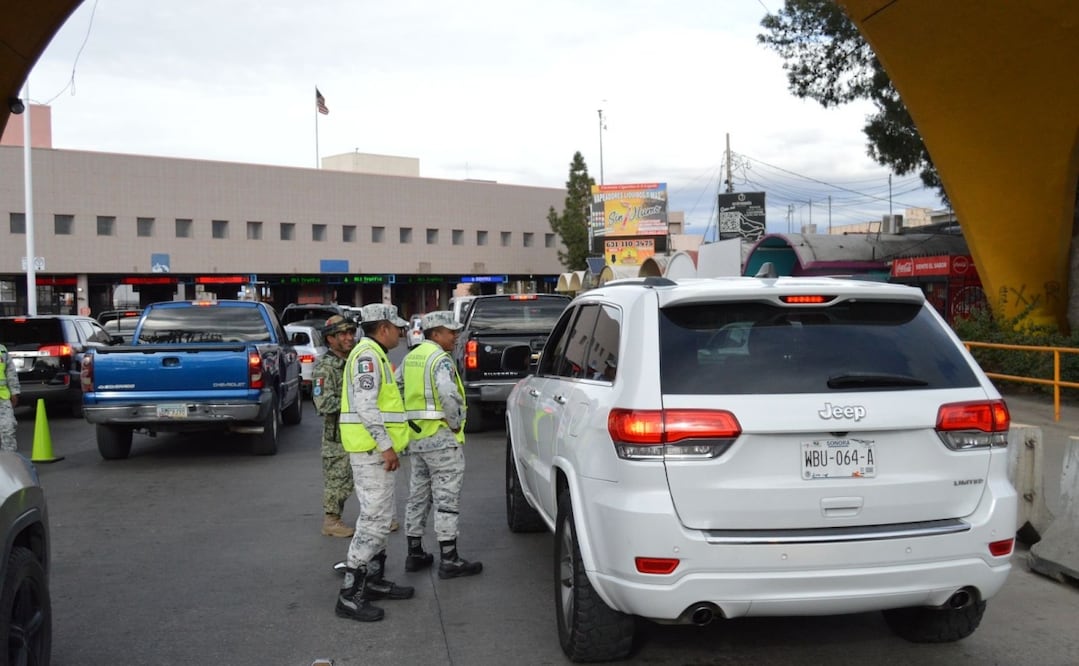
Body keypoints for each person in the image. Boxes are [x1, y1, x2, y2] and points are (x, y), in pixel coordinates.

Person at [335, 303, 414, 623]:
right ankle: (350, 594)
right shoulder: (368, 357)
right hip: (371, 451)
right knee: (374, 519)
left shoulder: (374, 354)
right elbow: (367, 407)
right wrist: (386, 447)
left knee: (381, 517)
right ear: (383, 328)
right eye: (397, 328)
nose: (401, 332)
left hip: (374, 452)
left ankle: (373, 580)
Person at [400, 311, 483, 579]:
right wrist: (455, 421)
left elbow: (397, 387)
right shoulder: (439, 359)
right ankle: (449, 557)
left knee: (418, 495)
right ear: (435, 333)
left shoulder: (411, 357)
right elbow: (447, 393)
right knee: (446, 497)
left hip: (417, 438)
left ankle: (414, 552)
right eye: (451, 332)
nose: (455, 336)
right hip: (441, 438)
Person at [312, 315, 358, 539]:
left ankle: (377, 518)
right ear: (330, 339)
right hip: (337, 435)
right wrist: (356, 403)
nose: (349, 338)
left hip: (358, 432)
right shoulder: (325, 367)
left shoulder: (355, 360)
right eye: (343, 334)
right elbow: (323, 403)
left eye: (351, 332)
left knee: (366, 475)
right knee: (337, 480)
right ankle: (332, 521)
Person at [0, 343, 19, 452]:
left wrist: (14, 391)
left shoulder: (2, 350)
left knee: (8, 429)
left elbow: (10, 372)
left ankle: (9, 463)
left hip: (2, 398)